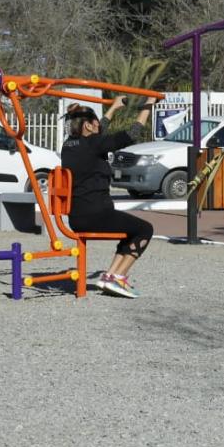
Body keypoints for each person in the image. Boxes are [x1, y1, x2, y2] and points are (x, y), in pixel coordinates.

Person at [61, 95, 156, 298]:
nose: (99, 126)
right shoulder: (94, 144)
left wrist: (113, 108)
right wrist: (148, 105)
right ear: (88, 125)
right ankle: (119, 277)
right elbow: (132, 133)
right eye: (95, 123)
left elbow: (98, 131)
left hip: (76, 217)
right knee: (145, 229)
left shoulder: (68, 145)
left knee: (130, 229)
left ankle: (110, 277)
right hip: (96, 214)